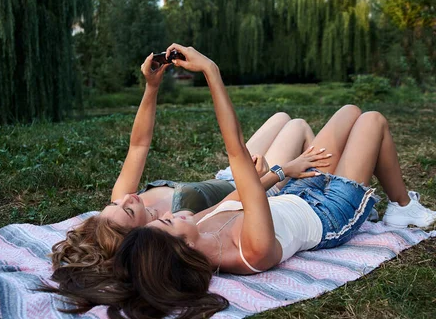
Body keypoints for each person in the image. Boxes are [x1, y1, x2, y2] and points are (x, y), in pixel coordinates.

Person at [49, 44, 436, 319]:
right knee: (371, 120)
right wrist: (212, 73)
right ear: (179, 248)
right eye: (165, 224)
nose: (169, 215)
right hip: (330, 211)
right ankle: (401, 207)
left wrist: (285, 171)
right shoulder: (249, 252)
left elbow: (237, 195)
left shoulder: (193, 226)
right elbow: (238, 160)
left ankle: (377, 186)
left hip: (295, 193)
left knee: (350, 112)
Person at [49, 53, 317, 274]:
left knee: (281, 116)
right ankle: (322, 188)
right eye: (128, 210)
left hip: (229, 175)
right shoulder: (172, 230)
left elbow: (138, 145)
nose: (128, 198)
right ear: (140, 237)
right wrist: (277, 175)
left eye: (114, 203)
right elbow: (231, 205)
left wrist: (151, 86)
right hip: (253, 191)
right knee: (298, 126)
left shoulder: (126, 200)